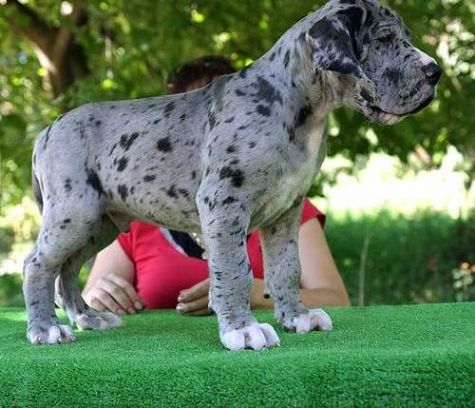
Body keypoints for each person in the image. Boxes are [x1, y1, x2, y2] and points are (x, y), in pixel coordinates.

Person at [82, 56, 350, 316]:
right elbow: (92, 296)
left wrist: (254, 293)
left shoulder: (286, 203)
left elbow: (335, 299)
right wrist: (97, 296)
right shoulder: (132, 208)